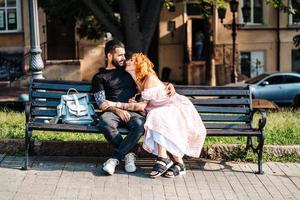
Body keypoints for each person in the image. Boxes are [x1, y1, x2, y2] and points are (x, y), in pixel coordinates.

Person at [106, 53, 207, 178]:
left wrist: (115, 104)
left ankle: (163, 157)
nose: (128, 61)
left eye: (132, 60)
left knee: (156, 116)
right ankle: (180, 165)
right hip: (164, 111)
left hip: (176, 109)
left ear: (138, 65)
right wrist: (136, 102)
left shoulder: (148, 78)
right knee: (156, 117)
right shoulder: (139, 80)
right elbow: (150, 98)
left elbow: (143, 106)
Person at [92, 40, 175, 175]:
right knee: (105, 122)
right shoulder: (99, 77)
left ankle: (114, 158)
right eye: (120, 55)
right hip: (112, 111)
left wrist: (169, 85)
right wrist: (117, 110)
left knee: (141, 124)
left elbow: (150, 80)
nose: (124, 58)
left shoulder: (128, 71)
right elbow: (101, 103)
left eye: (124, 55)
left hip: (133, 110)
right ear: (109, 56)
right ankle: (128, 155)